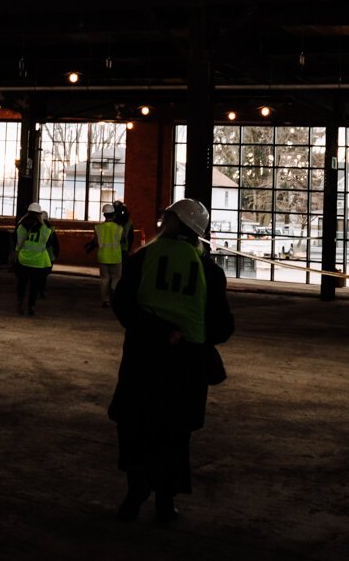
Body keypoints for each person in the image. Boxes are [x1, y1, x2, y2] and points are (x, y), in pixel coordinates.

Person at [108, 197, 234, 523]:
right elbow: (222, 328)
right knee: (174, 435)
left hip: (143, 359)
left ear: (170, 222)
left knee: (136, 428)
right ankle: (166, 502)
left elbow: (122, 305)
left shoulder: (142, 259)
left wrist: (156, 329)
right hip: (185, 367)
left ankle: (135, 491)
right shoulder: (209, 271)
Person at [85, 199, 136, 307]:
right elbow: (123, 239)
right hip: (116, 257)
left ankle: (105, 300)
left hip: (103, 257)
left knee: (104, 279)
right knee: (116, 278)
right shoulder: (119, 228)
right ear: (113, 214)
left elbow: (96, 241)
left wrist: (90, 246)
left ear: (104, 214)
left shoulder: (98, 228)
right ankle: (113, 293)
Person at [12, 203, 58, 316]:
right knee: (34, 286)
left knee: (22, 284)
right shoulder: (45, 229)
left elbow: (15, 242)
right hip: (38, 262)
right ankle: (31, 307)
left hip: (23, 260)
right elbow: (49, 244)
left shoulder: (21, 227)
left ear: (28, 213)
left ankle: (20, 303)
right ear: (39, 215)